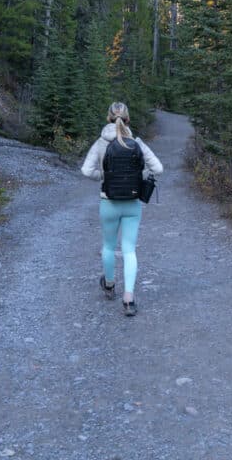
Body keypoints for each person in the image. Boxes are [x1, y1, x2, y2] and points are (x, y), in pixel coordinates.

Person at [81, 101, 163, 316]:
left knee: (108, 246)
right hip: (132, 203)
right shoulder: (136, 143)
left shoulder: (100, 143)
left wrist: (105, 176)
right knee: (129, 250)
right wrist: (138, 176)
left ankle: (109, 285)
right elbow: (158, 168)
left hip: (108, 201)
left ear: (108, 118)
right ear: (128, 119)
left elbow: (86, 170)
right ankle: (129, 299)